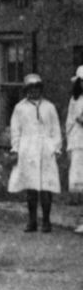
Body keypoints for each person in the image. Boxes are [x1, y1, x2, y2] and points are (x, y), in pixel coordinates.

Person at [8, 73, 63, 233]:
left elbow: (56, 129)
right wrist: (16, 149)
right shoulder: (20, 108)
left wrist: (55, 147)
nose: (34, 92)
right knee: (31, 186)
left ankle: (46, 221)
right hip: (28, 149)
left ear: (41, 89)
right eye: (30, 89)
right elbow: (15, 130)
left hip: (46, 149)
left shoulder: (49, 107)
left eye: (37, 88)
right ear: (26, 90)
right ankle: (32, 221)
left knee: (46, 186)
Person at [67, 66, 83, 234]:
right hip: (78, 144)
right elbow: (70, 122)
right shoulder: (75, 100)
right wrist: (69, 147)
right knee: (80, 183)